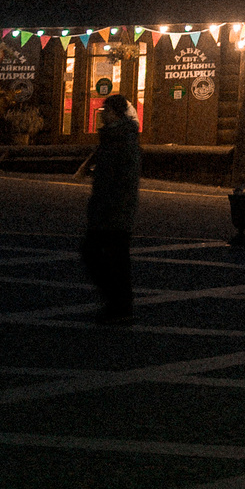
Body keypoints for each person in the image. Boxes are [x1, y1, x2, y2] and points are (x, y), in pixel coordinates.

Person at [82, 93, 142, 323]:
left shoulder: (122, 139)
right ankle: (119, 304)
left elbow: (124, 179)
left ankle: (119, 305)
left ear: (115, 114)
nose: (102, 114)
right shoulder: (113, 137)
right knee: (114, 258)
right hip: (108, 208)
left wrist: (110, 205)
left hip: (114, 210)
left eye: (105, 111)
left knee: (99, 254)